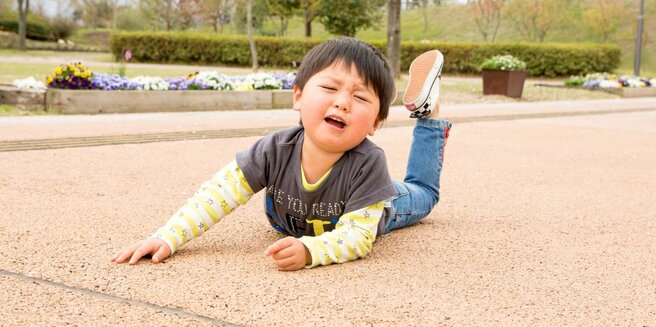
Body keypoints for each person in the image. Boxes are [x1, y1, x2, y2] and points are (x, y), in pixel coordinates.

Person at [112, 38, 452, 270]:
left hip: (374, 204)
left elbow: (358, 238)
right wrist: (167, 237)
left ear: (375, 123)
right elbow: (216, 195)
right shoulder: (275, 150)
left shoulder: (369, 162)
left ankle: (429, 114)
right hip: (348, 192)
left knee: (422, 192)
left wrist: (310, 251)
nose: (342, 102)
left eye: (360, 98)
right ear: (298, 97)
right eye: (330, 88)